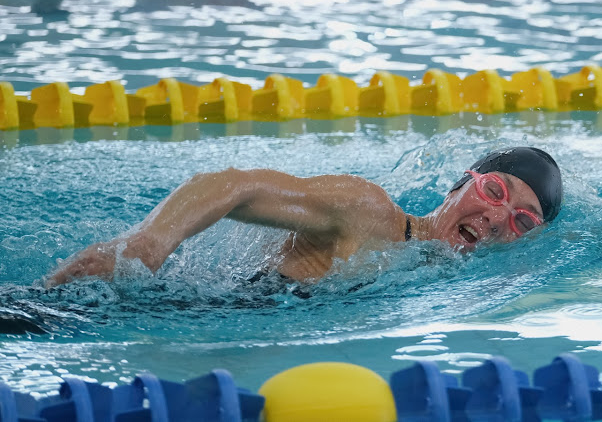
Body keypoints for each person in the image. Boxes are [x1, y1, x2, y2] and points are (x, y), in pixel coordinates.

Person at [45, 146, 562, 287]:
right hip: (158, 308)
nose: (498, 219)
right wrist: (148, 243)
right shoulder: (369, 212)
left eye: (522, 221)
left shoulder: (442, 282)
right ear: (460, 183)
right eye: (495, 191)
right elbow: (232, 184)